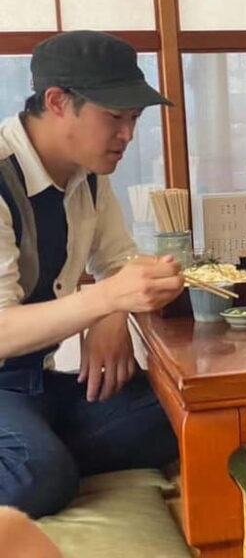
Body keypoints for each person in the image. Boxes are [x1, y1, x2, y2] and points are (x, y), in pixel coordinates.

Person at [0, 30, 185, 518]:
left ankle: (38, 450)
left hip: (34, 386)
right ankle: (39, 458)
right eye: (115, 118)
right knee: (37, 472)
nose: (128, 135)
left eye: (134, 118)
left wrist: (112, 316)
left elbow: (120, 262)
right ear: (57, 102)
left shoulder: (88, 175)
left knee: (178, 411)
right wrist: (107, 300)